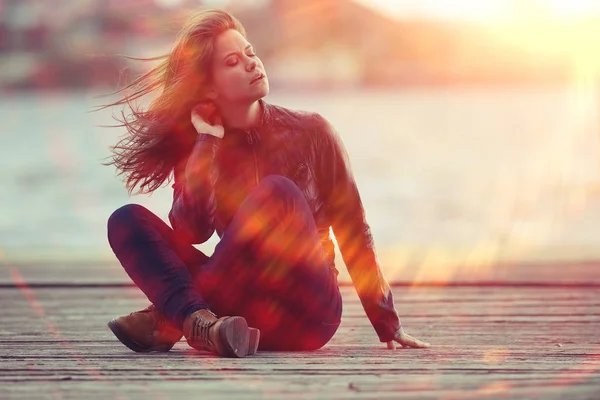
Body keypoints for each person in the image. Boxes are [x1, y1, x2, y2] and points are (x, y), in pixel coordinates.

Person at [101, 9, 429, 358]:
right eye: (232, 61)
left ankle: (174, 319)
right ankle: (203, 324)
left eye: (251, 53)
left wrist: (386, 321)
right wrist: (206, 144)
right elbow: (190, 231)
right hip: (237, 316)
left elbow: (353, 227)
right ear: (207, 86)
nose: (252, 64)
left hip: (306, 314)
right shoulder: (200, 147)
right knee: (126, 221)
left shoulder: (313, 132)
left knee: (277, 194)